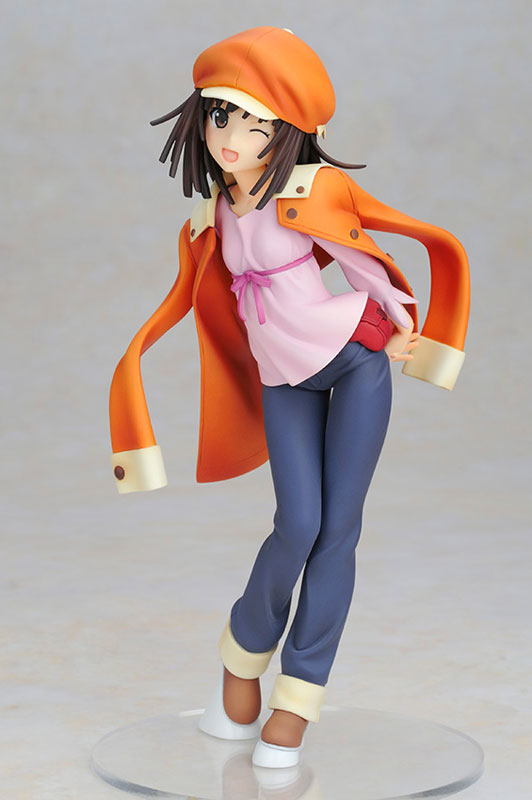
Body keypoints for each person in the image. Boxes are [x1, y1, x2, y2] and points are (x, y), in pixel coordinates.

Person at [109, 27, 470, 768]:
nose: (231, 138)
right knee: (296, 523)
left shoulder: (309, 191)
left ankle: (299, 699)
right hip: (282, 377)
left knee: (338, 531)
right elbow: (193, 299)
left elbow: (362, 256)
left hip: (352, 358)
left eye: (255, 125)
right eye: (221, 116)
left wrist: (402, 324)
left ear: (290, 133)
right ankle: (241, 656)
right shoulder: (213, 214)